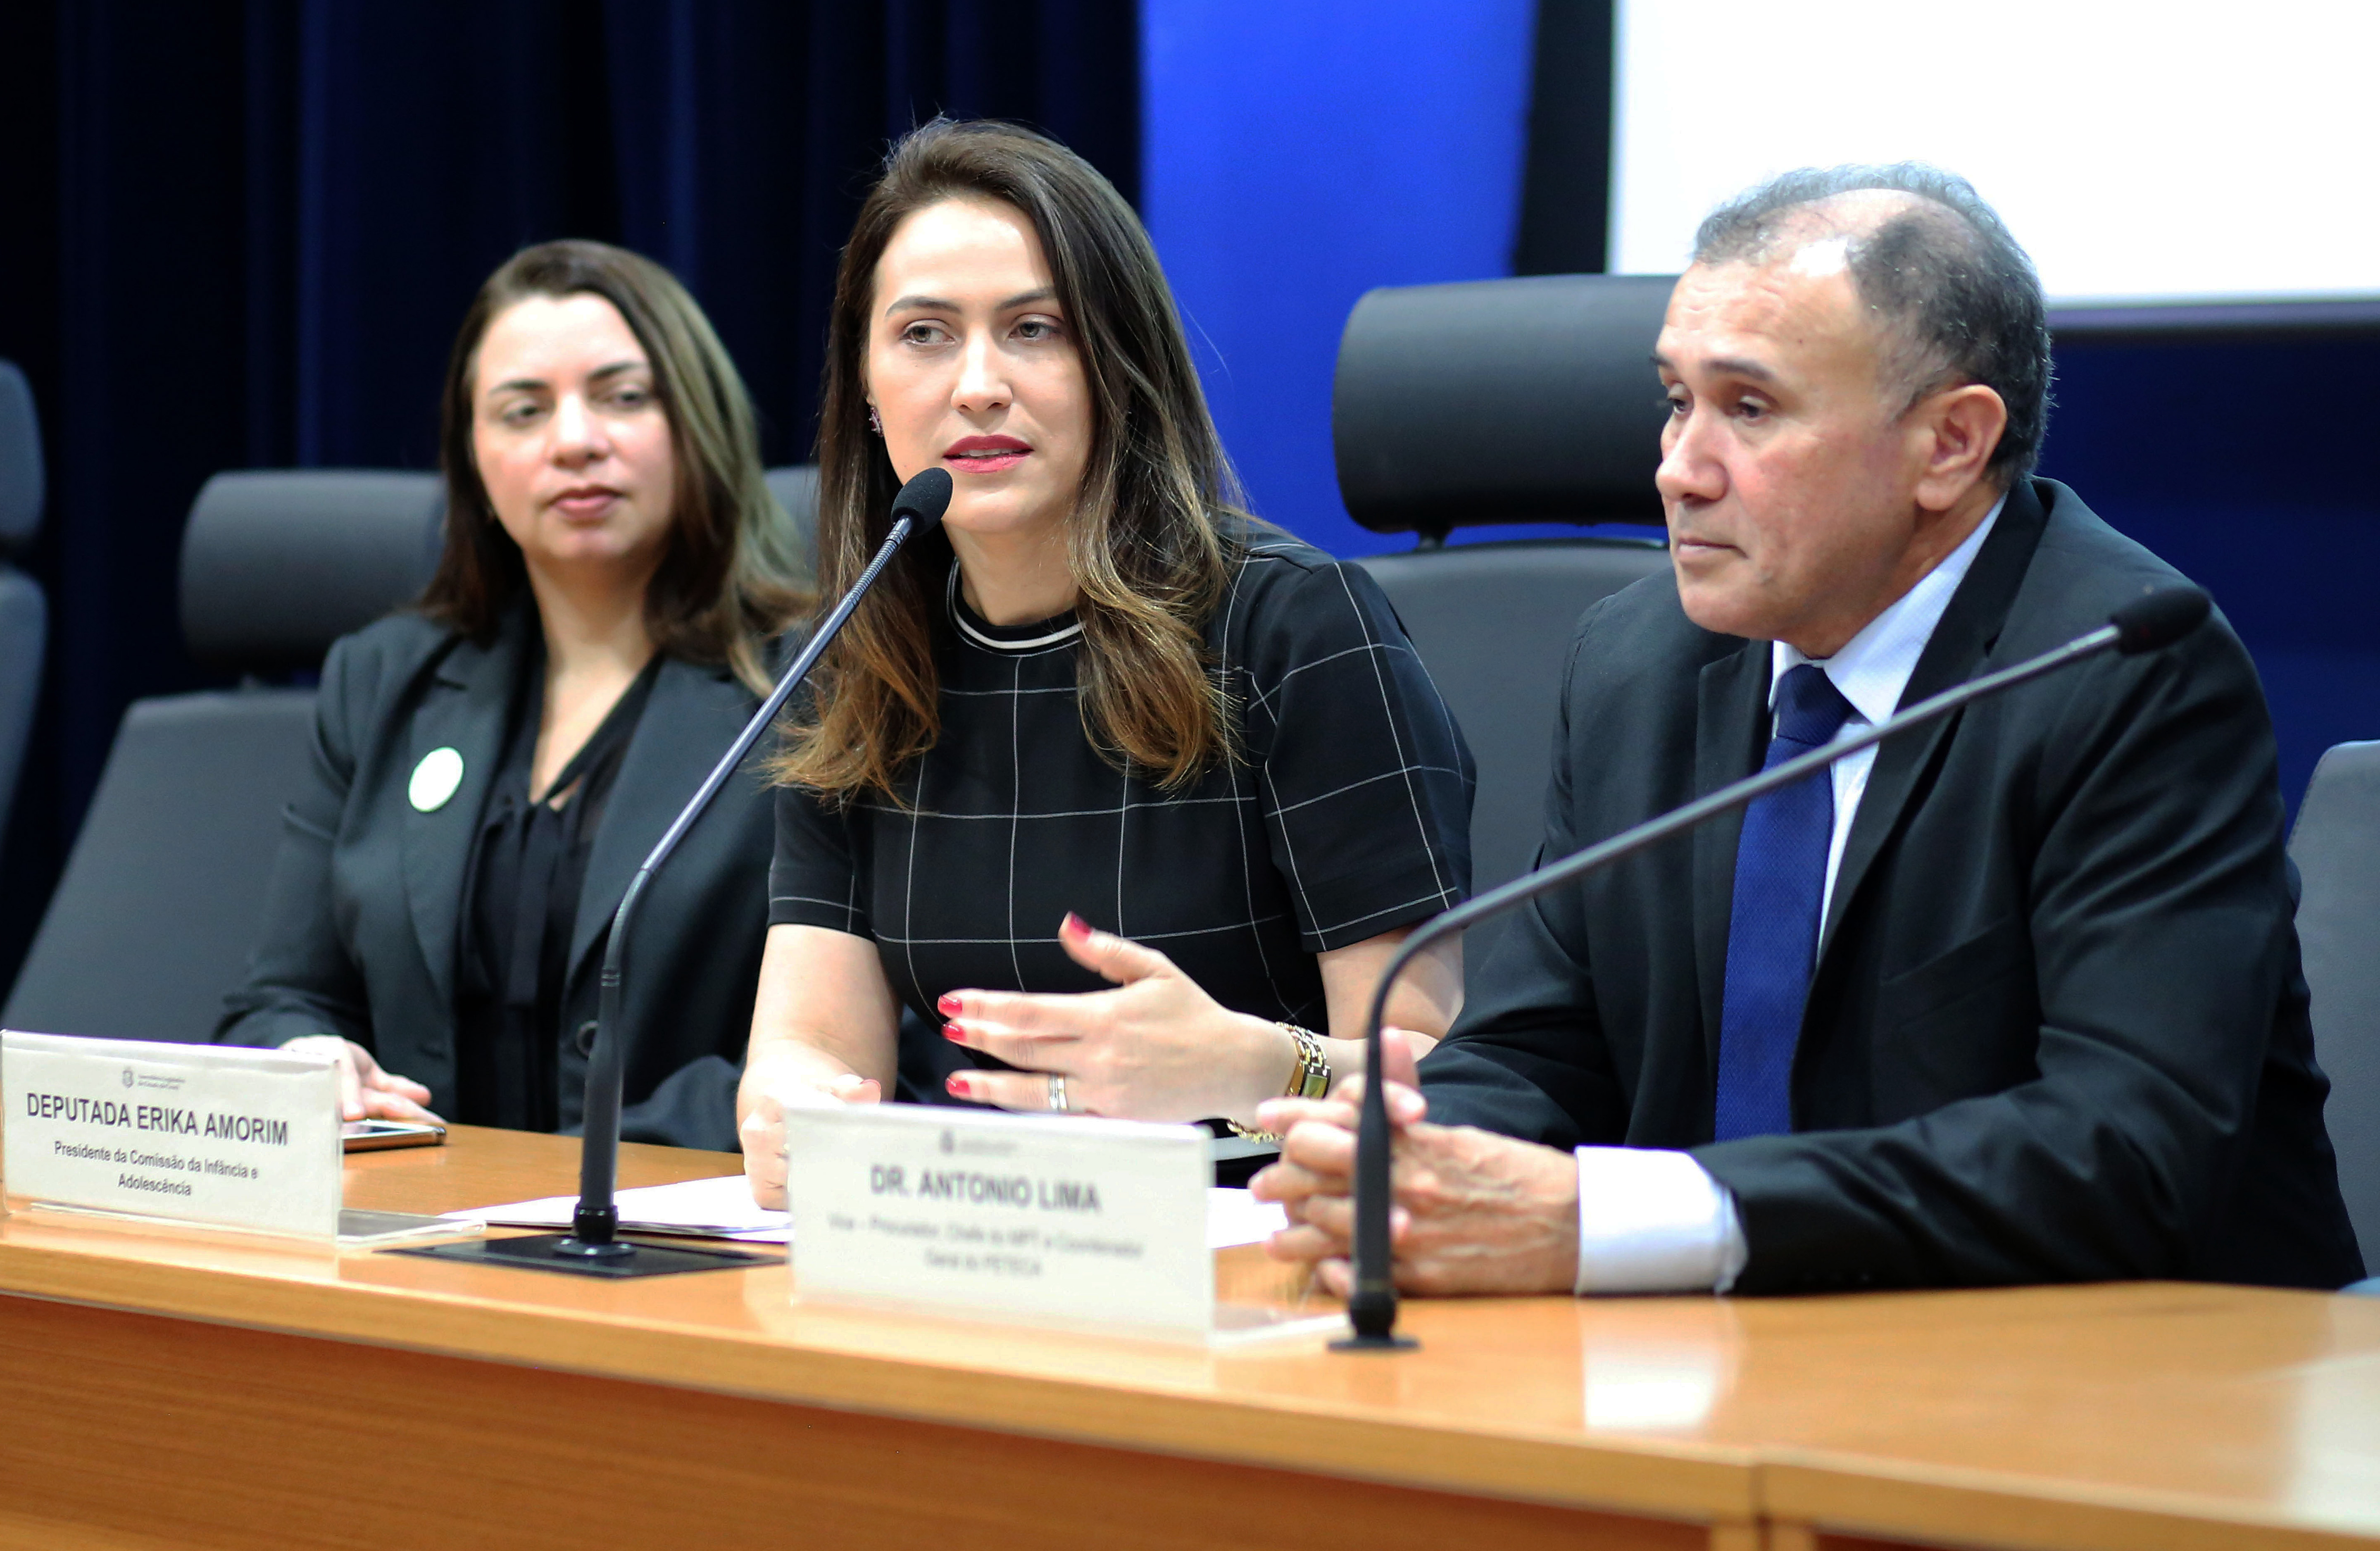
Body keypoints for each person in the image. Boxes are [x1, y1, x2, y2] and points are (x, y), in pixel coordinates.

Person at [1255, 165, 2364, 1296]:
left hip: (2142, 1357)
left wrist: (1622, 1218)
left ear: (1950, 444)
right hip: (1737, 1344)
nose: (1678, 471)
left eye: (1750, 408)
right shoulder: (1638, 658)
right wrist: (1408, 1168)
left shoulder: (2127, 668)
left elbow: (2122, 1152)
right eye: (1675, 401)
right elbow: (1538, 1045)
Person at [739, 119, 1473, 1203]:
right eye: (925, 334)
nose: (978, 385)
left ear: (1117, 365)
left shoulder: (1294, 629)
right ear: (866, 387)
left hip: (1260, 1238)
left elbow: (1447, 1079)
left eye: (1034, 329)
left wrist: (1252, 1064)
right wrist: (796, 1107)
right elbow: (810, 1045)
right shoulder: (855, 658)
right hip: (971, 1235)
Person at [218, 240, 809, 1151]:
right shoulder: (381, 682)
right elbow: (278, 1001)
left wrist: (582, 1174)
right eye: (524, 411)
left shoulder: (817, 682)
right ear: (475, 462)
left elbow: (859, 1045)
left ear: (700, 425)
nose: (574, 441)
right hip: (417, 1217)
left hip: (684, 1214)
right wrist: (311, 1056)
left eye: (623, 397)